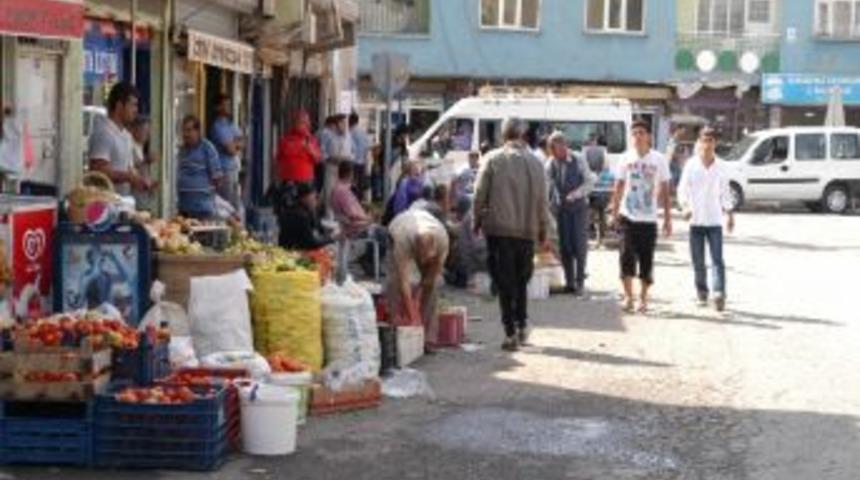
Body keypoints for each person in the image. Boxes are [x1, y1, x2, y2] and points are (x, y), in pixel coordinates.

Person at [473, 117, 549, 352]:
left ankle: (510, 332)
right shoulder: (536, 163)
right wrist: (543, 230)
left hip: (499, 230)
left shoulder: (492, 159)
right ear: (523, 135)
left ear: (503, 135)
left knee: (505, 283)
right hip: (527, 231)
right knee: (520, 281)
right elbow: (543, 201)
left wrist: (476, 220)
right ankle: (522, 324)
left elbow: (479, 193)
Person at [610, 120, 673, 314]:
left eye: (641, 133)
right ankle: (629, 297)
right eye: (635, 133)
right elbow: (619, 186)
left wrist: (668, 218)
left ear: (648, 136)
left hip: (649, 219)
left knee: (647, 260)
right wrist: (614, 212)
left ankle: (643, 298)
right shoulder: (625, 158)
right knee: (626, 256)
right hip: (627, 217)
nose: (637, 136)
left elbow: (665, 189)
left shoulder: (658, 159)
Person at [677, 127, 735, 312]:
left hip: (714, 221)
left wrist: (730, 214)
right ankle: (702, 292)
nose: (707, 144)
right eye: (704, 140)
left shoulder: (722, 166)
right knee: (698, 262)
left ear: (715, 143)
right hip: (695, 221)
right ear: (699, 142)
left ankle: (719, 293)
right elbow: (682, 189)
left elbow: (725, 192)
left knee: (717, 259)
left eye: (711, 140)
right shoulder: (691, 165)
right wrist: (685, 206)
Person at [386, 207, 448, 349]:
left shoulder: (443, 240)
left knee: (433, 286)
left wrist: (420, 291)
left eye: (428, 258)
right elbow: (404, 281)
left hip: (424, 226)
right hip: (399, 227)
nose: (423, 261)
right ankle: (396, 330)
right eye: (421, 257)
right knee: (395, 283)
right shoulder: (402, 241)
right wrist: (413, 313)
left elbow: (431, 276)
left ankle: (427, 338)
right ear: (416, 248)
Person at [546, 131, 595, 295]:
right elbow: (546, 182)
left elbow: (590, 182)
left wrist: (576, 194)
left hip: (579, 208)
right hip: (562, 210)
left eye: (554, 149)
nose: (553, 154)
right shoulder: (551, 162)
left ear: (563, 146)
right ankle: (569, 282)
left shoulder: (579, 159)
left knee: (579, 246)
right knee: (565, 246)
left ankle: (580, 282)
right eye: (551, 150)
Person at [88, 82, 153, 196]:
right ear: (119, 106)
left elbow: (128, 169)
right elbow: (99, 171)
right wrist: (128, 177)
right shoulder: (104, 132)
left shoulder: (126, 135)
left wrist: (140, 181)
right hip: (105, 202)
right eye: (133, 105)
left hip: (123, 200)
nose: (136, 110)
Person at [176, 115, 223, 219]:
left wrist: (207, 194)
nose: (185, 134)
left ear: (197, 131)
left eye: (189, 130)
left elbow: (218, 178)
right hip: (184, 206)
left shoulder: (207, 148)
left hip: (202, 208)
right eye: (183, 130)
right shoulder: (182, 150)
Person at [278, 182, 335, 251]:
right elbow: (311, 242)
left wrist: (313, 212)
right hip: (293, 252)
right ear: (304, 198)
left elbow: (318, 228)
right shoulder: (300, 215)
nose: (315, 200)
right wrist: (332, 238)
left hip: (292, 249)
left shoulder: (304, 210)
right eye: (313, 197)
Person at [210, 94, 242, 211]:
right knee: (226, 205)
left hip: (234, 169)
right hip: (224, 171)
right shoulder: (217, 127)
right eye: (225, 105)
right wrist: (235, 144)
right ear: (218, 107)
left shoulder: (231, 124)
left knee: (235, 204)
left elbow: (242, 141)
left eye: (229, 104)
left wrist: (234, 143)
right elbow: (231, 150)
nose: (228, 107)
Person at [276, 110, 321, 187]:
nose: (305, 125)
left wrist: (310, 149)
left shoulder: (311, 139)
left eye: (306, 122)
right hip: (288, 179)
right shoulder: (286, 139)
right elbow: (279, 158)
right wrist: (278, 175)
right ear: (295, 123)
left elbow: (318, 159)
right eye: (301, 122)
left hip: (305, 179)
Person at [320, 114, 353, 213]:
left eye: (345, 123)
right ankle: (329, 215)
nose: (345, 126)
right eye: (342, 123)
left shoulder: (348, 136)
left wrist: (348, 158)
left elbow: (353, 151)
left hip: (345, 168)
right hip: (332, 167)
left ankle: (342, 214)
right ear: (336, 124)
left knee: (344, 193)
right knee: (330, 192)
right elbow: (322, 152)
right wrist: (330, 158)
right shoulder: (327, 135)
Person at [584, 134, 610, 245]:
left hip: (590, 186)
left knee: (589, 211)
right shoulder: (603, 151)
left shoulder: (585, 151)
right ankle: (601, 237)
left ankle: (589, 235)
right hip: (601, 186)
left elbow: (583, 168)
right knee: (601, 212)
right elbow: (606, 167)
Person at [129, 116, 158, 212]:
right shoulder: (130, 145)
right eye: (145, 130)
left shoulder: (140, 146)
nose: (148, 134)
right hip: (134, 197)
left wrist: (150, 183)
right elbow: (130, 168)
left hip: (143, 197)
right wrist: (146, 161)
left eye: (148, 131)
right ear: (134, 129)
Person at [349, 112, 370, 200]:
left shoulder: (350, 132)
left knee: (352, 183)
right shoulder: (363, 132)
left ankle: (353, 200)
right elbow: (367, 147)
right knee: (360, 183)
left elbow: (350, 147)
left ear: (350, 121)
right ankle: (359, 200)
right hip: (362, 161)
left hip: (353, 161)